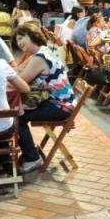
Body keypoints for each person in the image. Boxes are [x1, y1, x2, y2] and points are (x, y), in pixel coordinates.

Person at [14, 24, 76, 172]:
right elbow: (18, 69)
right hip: (60, 102)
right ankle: (31, 153)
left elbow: (19, 81)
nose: (19, 43)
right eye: (17, 40)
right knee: (19, 112)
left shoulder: (39, 58)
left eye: (21, 38)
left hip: (60, 106)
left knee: (17, 117)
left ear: (32, 36)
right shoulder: (42, 52)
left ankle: (32, 158)